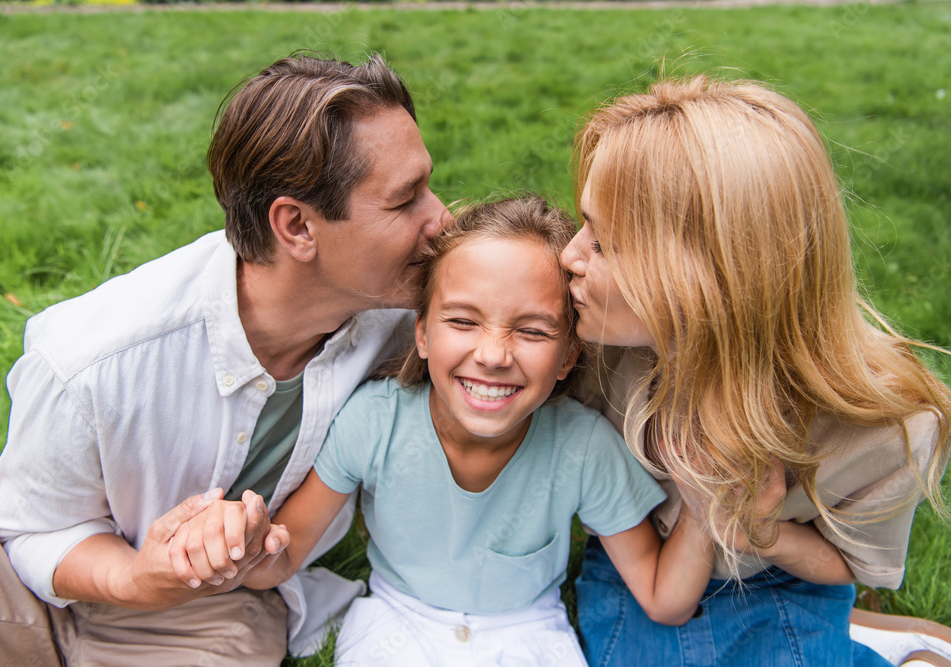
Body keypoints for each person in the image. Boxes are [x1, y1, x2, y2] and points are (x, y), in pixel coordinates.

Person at [0, 52, 451, 665]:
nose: (442, 219)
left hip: (208, 614)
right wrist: (139, 576)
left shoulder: (416, 315)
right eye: (405, 201)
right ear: (296, 227)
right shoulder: (91, 360)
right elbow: (31, 529)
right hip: (21, 561)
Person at [169, 197, 717, 666]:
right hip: (394, 624)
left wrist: (709, 500)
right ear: (423, 334)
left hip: (526, 636)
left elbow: (662, 598)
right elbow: (282, 560)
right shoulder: (372, 422)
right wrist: (245, 546)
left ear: (569, 356)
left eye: (531, 330)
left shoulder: (583, 447)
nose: (494, 355)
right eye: (462, 321)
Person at [561, 75, 951, 667]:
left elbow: (849, 565)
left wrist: (759, 529)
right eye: (583, 223)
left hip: (780, 575)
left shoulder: (885, 429)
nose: (569, 255)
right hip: (638, 570)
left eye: (605, 245)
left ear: (715, 281)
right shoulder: (601, 345)